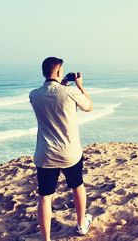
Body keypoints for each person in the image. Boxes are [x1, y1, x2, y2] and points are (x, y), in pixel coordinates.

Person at [29, 57, 94, 241]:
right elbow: (89, 107)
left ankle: (46, 239)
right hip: (69, 153)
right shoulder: (70, 93)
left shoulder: (34, 95)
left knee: (45, 196)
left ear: (43, 73)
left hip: (46, 153)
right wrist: (80, 85)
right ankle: (81, 225)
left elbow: (51, 97)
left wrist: (62, 82)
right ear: (58, 72)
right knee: (77, 186)